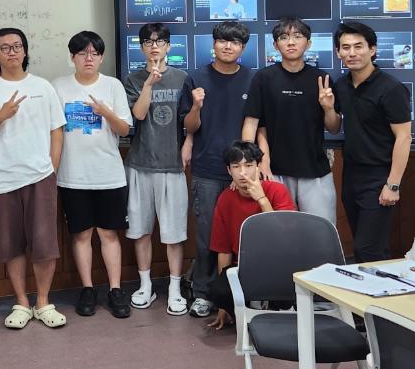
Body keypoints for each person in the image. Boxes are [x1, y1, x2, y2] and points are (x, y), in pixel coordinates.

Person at [0, 28, 67, 329]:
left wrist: (51, 168)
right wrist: (1, 115)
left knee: (45, 244)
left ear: (25, 51)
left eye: (17, 46)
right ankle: (22, 303)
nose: (12, 52)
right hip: (3, 179)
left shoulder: (43, 87)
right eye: (5, 47)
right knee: (11, 245)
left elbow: (57, 129)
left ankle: (43, 302)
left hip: (40, 176)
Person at [53, 31, 133, 319]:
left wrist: (105, 112)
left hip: (109, 174)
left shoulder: (112, 86)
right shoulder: (58, 86)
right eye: (82, 53)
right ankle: (87, 289)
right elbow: (53, 131)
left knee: (109, 234)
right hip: (72, 175)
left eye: (94, 53)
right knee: (81, 235)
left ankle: (115, 289)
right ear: (72, 57)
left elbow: (124, 129)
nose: (89, 58)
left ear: (101, 57)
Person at [181, 21, 254, 318]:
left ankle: (243, 293)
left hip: (242, 170)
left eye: (234, 42)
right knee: (207, 236)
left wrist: (247, 168)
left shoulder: (252, 79)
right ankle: (203, 293)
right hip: (207, 167)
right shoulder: (196, 78)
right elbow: (189, 126)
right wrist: (196, 106)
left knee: (244, 235)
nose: (228, 46)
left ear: (243, 48)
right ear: (213, 44)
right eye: (222, 40)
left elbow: (256, 124)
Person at [242, 17, 341, 224]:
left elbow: (333, 128)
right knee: (279, 233)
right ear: (275, 44)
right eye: (284, 37)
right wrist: (250, 165)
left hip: (315, 170)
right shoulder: (264, 78)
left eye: (298, 36)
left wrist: (328, 108)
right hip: (274, 172)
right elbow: (252, 123)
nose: (291, 42)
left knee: (320, 232)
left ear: (309, 43)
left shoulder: (321, 79)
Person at [331, 21, 412, 263]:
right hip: (351, 174)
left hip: (380, 176)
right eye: (346, 47)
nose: (352, 53)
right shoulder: (342, 85)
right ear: (338, 52)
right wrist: (327, 108)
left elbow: (404, 137)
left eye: (359, 46)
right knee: (366, 246)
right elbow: (333, 127)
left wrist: (393, 185)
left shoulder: (391, 88)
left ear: (372, 49)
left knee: (368, 249)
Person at [123, 23, 190, 315]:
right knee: (140, 230)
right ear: (141, 47)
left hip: (172, 166)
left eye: (160, 41)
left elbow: (190, 122)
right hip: (140, 164)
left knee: (174, 233)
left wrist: (188, 145)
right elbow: (138, 115)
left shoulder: (182, 78)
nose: (154, 46)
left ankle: (174, 289)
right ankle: (145, 286)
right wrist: (149, 84)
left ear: (169, 46)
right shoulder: (133, 79)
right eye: (148, 42)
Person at [207, 141, 296, 330]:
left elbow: (285, 237)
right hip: (243, 266)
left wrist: (262, 199)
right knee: (218, 291)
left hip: (278, 263)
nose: (243, 173)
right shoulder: (225, 198)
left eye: (248, 165)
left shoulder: (277, 190)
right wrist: (224, 305)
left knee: (285, 294)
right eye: (236, 167)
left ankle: (274, 304)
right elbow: (223, 249)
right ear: (229, 170)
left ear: (258, 166)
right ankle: (251, 304)